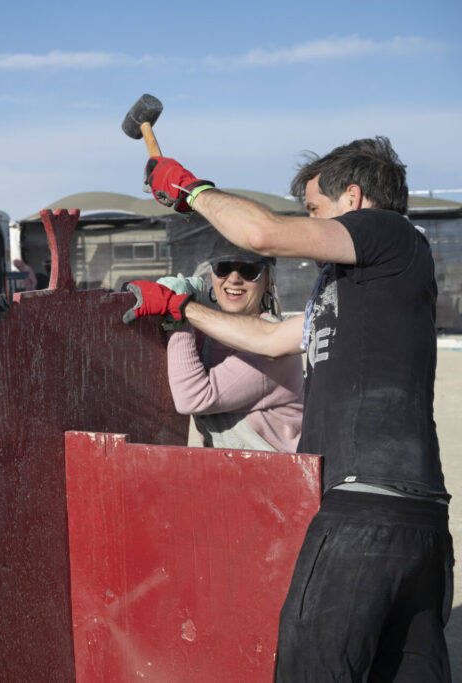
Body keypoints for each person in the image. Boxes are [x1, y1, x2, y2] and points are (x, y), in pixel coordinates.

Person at [125, 137, 453, 681]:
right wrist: (183, 310)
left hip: (361, 509)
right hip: (409, 516)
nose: (310, 225)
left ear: (353, 198)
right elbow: (274, 339)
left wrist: (192, 191)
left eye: (314, 210)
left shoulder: (387, 231)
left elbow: (264, 235)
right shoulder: (368, 285)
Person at [160, 235, 303, 452]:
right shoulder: (208, 336)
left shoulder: (273, 349)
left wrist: (178, 317)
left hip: (280, 477)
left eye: (248, 270)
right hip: (238, 474)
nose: (234, 279)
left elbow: (192, 398)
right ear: (211, 275)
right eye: (223, 268)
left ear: (267, 281)